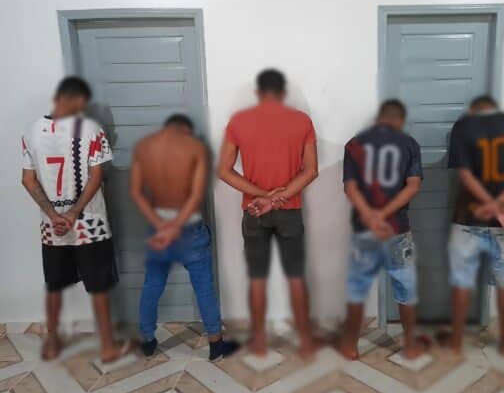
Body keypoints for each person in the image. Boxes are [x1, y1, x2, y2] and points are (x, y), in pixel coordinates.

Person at [21, 76, 131, 362]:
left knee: (54, 285)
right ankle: (107, 346)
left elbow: (27, 180)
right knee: (99, 286)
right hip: (90, 223)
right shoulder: (91, 129)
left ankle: (52, 343)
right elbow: (96, 176)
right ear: (78, 100)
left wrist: (53, 215)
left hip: (52, 228)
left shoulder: (31, 131)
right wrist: (73, 213)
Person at [218, 69, 319, 358]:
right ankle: (306, 343)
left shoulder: (239, 121)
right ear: (283, 93)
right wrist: (277, 198)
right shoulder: (302, 121)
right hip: (289, 211)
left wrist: (262, 196)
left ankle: (260, 342)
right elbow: (311, 170)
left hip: (254, 211)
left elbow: (224, 171)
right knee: (296, 277)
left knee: (257, 278)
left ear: (258, 92)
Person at [130, 114, 240, 361]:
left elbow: (137, 193)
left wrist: (161, 225)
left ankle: (147, 341)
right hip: (189, 230)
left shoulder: (144, 149)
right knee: (204, 288)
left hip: (159, 229)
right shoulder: (194, 149)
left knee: (152, 285)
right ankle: (216, 345)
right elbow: (195, 196)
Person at [441, 95, 504, 357]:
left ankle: (456, 341)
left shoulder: (463, 126)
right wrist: (500, 205)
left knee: (462, 281)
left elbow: (464, 174)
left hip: (467, 216)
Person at [339, 99, 427, 360]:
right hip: (397, 229)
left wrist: (370, 215)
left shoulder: (354, 144)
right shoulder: (409, 144)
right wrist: (384, 213)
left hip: (364, 230)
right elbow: (413, 186)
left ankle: (351, 346)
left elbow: (350, 188)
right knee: (405, 288)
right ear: (399, 120)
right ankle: (410, 345)